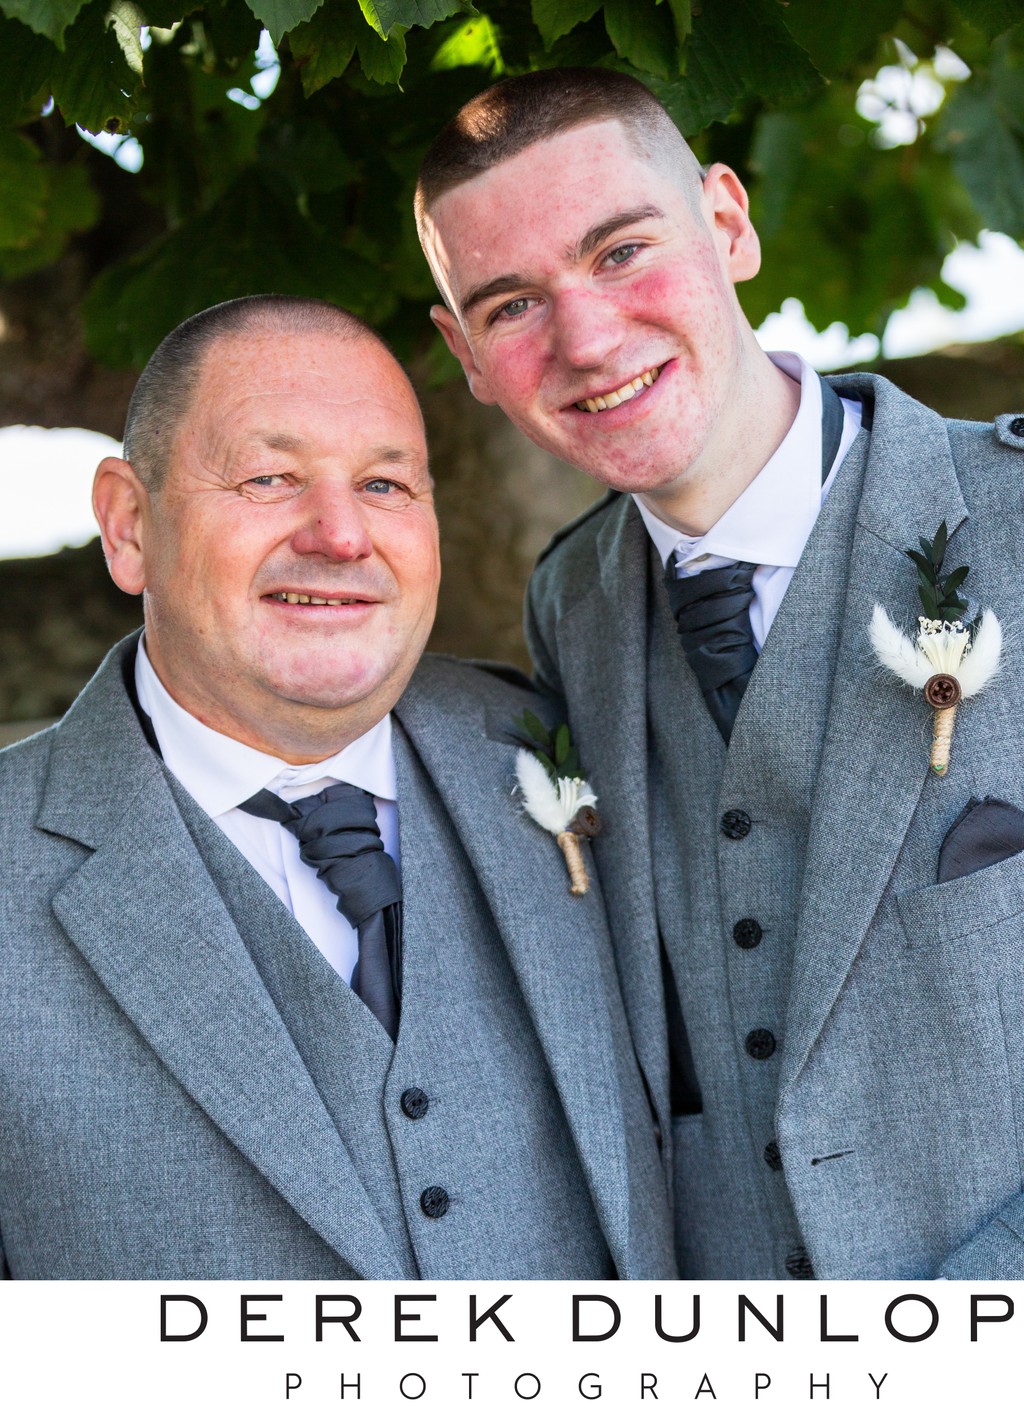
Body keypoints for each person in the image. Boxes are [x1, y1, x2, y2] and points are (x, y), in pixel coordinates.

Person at [415, 68, 1024, 1280]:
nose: (586, 339)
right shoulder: (569, 606)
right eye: (509, 305)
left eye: (621, 252)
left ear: (730, 225)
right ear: (465, 354)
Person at [0, 294, 675, 1280]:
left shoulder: (571, 756)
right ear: (129, 522)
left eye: (387, 484)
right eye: (270, 478)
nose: (341, 535)